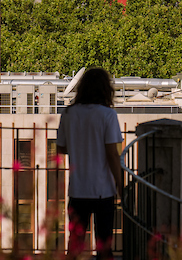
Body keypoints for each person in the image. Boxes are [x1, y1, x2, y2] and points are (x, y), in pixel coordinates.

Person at [57, 67, 123, 259]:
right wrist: (121, 185)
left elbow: (61, 148)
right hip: (103, 190)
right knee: (104, 244)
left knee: (75, 242)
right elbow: (112, 154)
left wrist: (81, 147)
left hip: (77, 189)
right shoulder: (107, 115)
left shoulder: (69, 114)